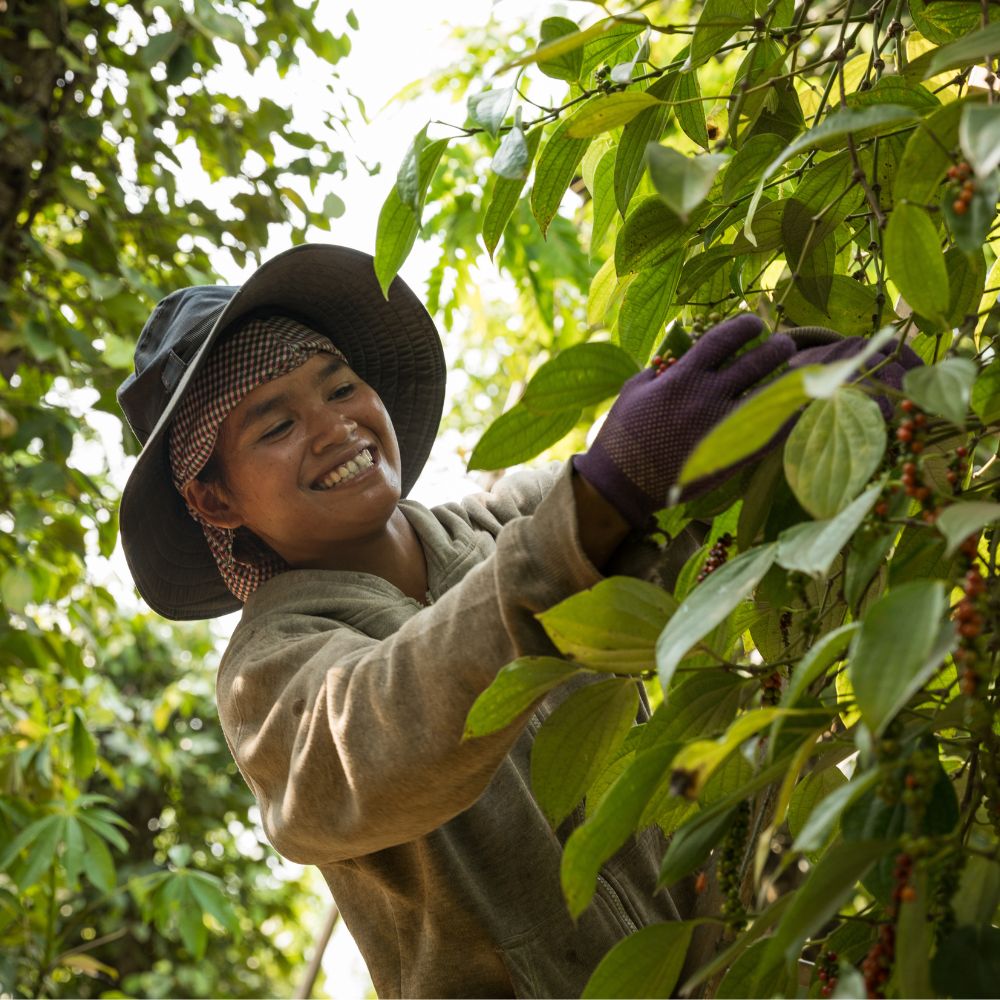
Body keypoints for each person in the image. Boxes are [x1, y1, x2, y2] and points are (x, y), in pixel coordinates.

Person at [116, 243, 911, 998]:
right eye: (276, 426)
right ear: (214, 499)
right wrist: (605, 495)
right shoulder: (268, 672)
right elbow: (390, 723)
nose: (333, 427)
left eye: (339, 386)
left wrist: (805, 408)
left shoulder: (510, 524)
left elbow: (682, 525)